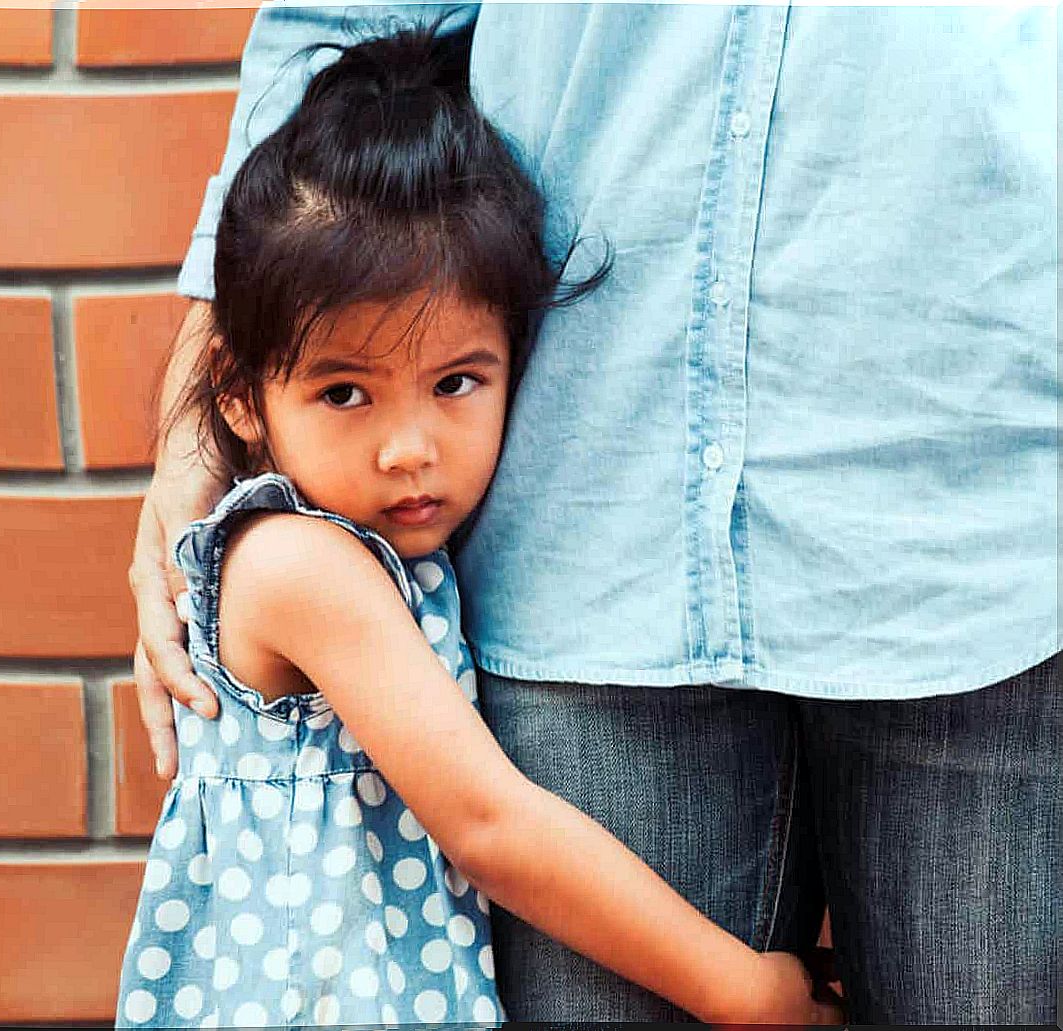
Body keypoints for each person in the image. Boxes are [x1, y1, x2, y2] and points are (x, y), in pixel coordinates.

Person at [129, 5, 1060, 1025]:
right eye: (346, 391)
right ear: (238, 392)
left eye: (456, 382)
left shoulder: (358, 550)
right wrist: (737, 986)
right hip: (601, 539)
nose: (408, 448)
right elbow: (489, 822)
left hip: (982, 529)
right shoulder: (302, 568)